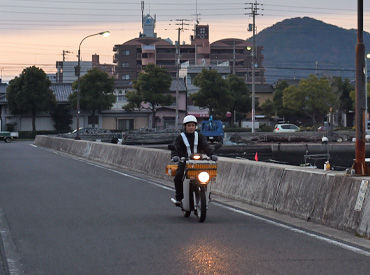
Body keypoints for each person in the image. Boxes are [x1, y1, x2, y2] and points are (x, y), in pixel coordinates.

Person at [170, 115, 214, 206]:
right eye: (189, 125)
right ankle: (179, 198)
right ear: (185, 126)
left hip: (199, 163)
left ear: (195, 126)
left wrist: (212, 155)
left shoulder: (200, 136)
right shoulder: (180, 137)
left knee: (208, 175)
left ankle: (208, 195)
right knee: (178, 177)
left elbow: (206, 146)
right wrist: (175, 156)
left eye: (193, 125)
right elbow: (175, 148)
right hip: (184, 162)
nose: (191, 127)